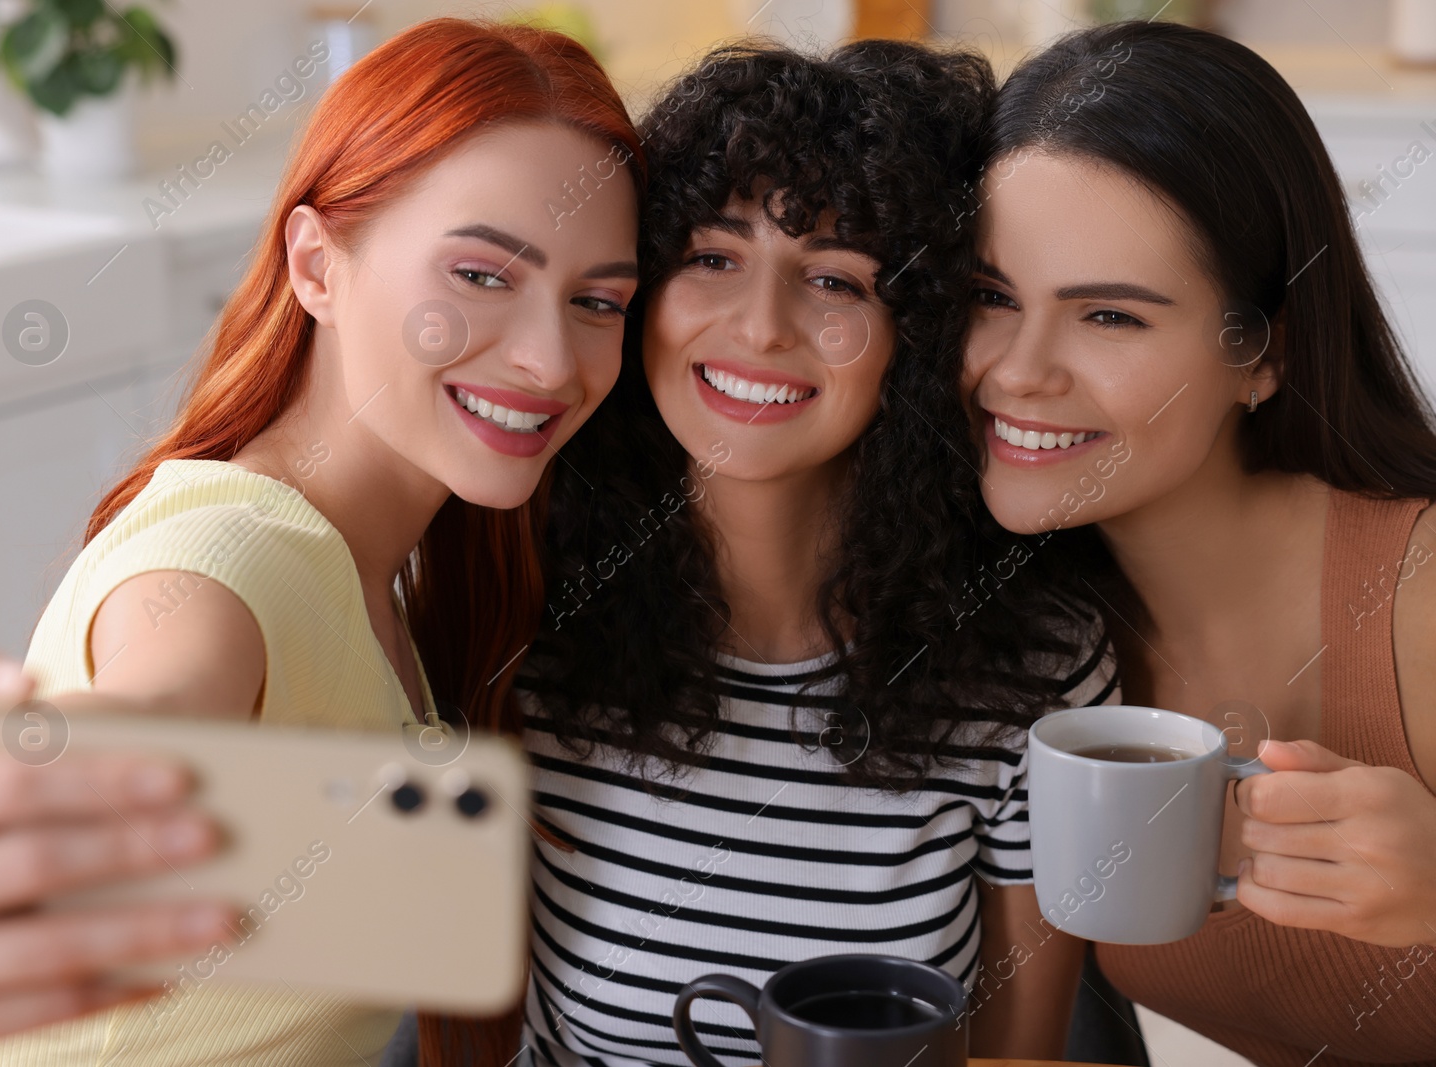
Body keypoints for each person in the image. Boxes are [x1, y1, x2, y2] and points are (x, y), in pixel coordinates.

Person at [0, 18, 641, 1067]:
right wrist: (11, 847)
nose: (548, 359)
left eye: (596, 301)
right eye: (482, 275)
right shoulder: (237, 560)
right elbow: (160, 699)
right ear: (316, 264)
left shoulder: (373, 568)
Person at [515, 40, 1118, 1066]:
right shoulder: (527, 619)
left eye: (834, 279)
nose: (759, 325)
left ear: (913, 333)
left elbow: (1022, 1055)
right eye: (712, 256)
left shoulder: (1033, 666)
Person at [962, 20, 1436, 1066]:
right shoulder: (1013, 626)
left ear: (1258, 355)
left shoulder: (1420, 594)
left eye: (1110, 317)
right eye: (990, 298)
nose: (1018, 371)